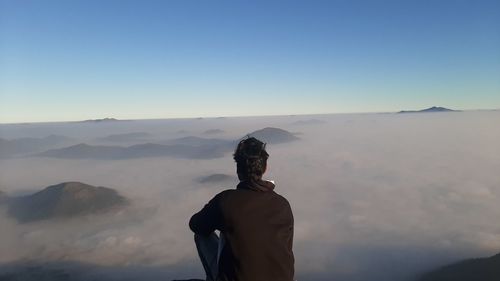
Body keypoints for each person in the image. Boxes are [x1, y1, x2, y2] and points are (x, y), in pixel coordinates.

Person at [189, 137, 295, 281]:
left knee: (203, 234)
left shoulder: (226, 201)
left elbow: (196, 225)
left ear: (238, 170)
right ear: (265, 168)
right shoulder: (283, 205)